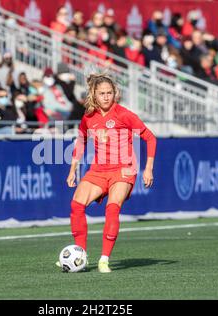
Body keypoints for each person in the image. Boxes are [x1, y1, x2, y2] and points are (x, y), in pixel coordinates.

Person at [61, 73, 157, 273]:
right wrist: (73, 169)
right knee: (76, 205)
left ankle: (104, 259)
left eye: (109, 93)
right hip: (98, 169)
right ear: (94, 95)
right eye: (102, 93)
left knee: (112, 209)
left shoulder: (124, 114)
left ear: (115, 93)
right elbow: (80, 142)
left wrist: (148, 168)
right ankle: (81, 254)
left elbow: (150, 138)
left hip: (123, 169)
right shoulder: (88, 117)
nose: (106, 97)